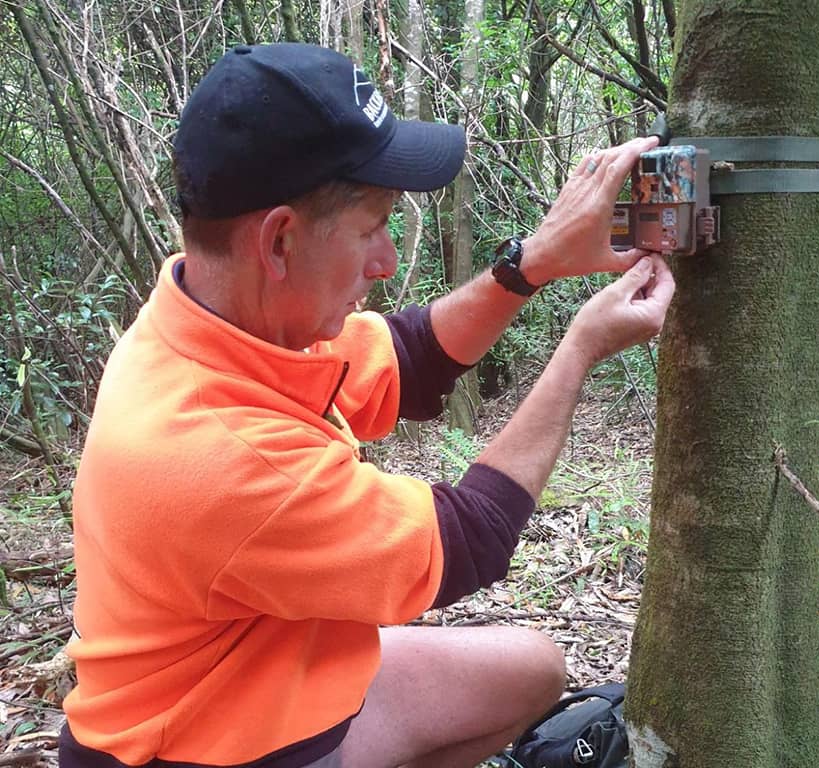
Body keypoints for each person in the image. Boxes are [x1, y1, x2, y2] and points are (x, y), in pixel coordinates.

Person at [59, 43, 674, 768]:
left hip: (264, 673)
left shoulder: (221, 322)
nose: (386, 261)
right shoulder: (215, 451)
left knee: (533, 667)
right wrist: (579, 349)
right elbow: (471, 538)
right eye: (372, 226)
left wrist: (532, 259)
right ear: (280, 240)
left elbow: (413, 357)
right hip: (197, 748)